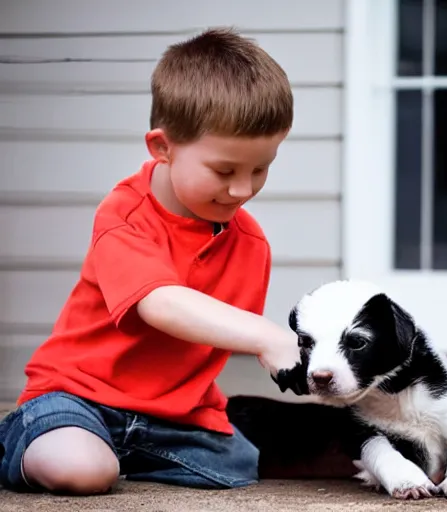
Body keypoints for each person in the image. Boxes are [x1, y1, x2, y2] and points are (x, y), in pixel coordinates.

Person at [0, 27, 306, 496]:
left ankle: (121, 453)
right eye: (224, 171)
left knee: (243, 463)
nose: (243, 190)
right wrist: (266, 335)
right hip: (78, 396)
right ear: (162, 147)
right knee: (81, 469)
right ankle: (28, 439)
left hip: (171, 417)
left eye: (260, 169)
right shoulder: (124, 213)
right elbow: (159, 303)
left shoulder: (249, 243)